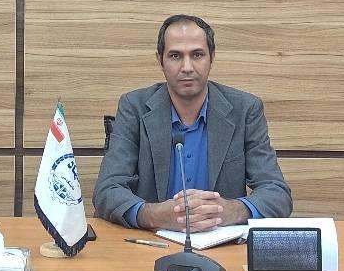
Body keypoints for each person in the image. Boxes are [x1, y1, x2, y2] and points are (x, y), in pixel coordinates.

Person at [93, 15, 291, 232]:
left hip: (221, 243)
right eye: (175, 56)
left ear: (212, 57)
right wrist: (154, 215)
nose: (187, 67)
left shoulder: (245, 110)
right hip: (151, 243)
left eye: (197, 55)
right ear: (160, 60)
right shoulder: (134, 107)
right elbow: (107, 190)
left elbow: (277, 193)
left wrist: (231, 211)